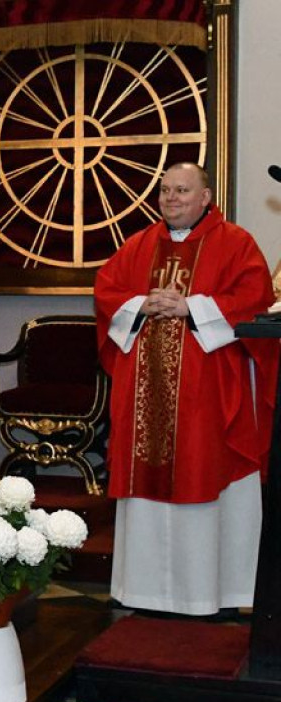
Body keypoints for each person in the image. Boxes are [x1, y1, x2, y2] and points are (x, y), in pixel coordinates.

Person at [95, 161, 278, 616]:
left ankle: (213, 592)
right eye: (164, 192)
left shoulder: (235, 244)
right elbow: (106, 290)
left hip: (207, 398)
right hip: (146, 390)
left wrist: (192, 307)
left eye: (181, 190)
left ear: (205, 197)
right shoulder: (138, 245)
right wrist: (141, 303)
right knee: (146, 485)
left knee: (204, 473)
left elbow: (255, 298)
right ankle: (144, 592)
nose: (170, 199)